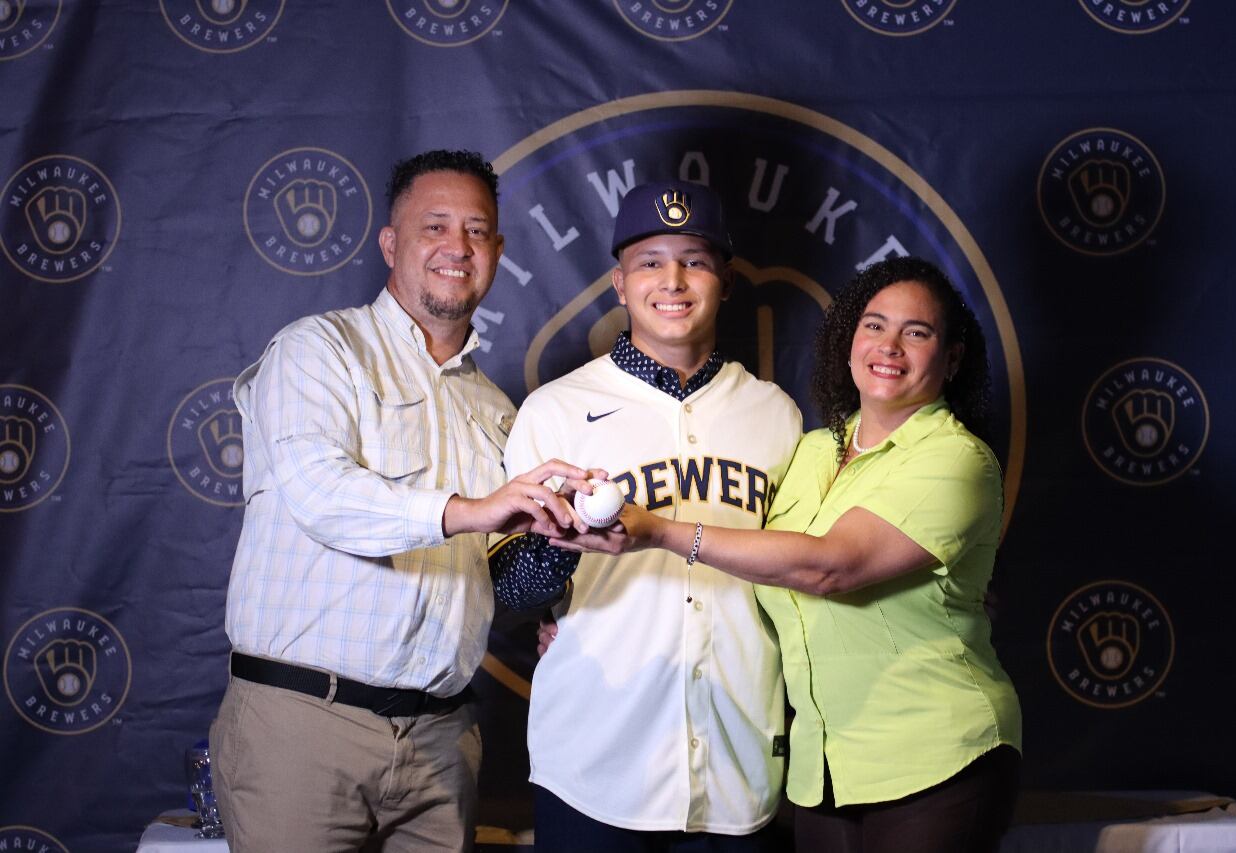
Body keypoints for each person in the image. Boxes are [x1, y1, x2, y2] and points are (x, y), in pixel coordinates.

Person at [564, 257, 1023, 853]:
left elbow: (829, 566)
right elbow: (763, 562)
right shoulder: (810, 451)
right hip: (824, 769)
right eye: (874, 325)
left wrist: (662, 532)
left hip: (938, 756)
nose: (890, 346)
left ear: (952, 357)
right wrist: (564, 616)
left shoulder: (957, 458)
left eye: (918, 332)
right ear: (849, 339)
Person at [210, 149, 596, 853]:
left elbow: (499, 573)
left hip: (442, 737)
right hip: (305, 725)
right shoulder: (319, 350)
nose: (458, 247)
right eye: (435, 226)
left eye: (477, 231)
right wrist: (469, 510)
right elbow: (320, 495)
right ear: (392, 243)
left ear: (498, 251)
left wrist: (562, 589)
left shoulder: (496, 408)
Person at [489, 180, 803, 851]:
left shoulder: (775, 413)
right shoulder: (557, 409)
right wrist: (564, 542)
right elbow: (503, 591)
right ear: (619, 283)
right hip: (595, 764)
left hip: (738, 764)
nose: (674, 280)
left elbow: (801, 573)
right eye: (651, 262)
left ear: (723, 279)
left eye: (694, 260)